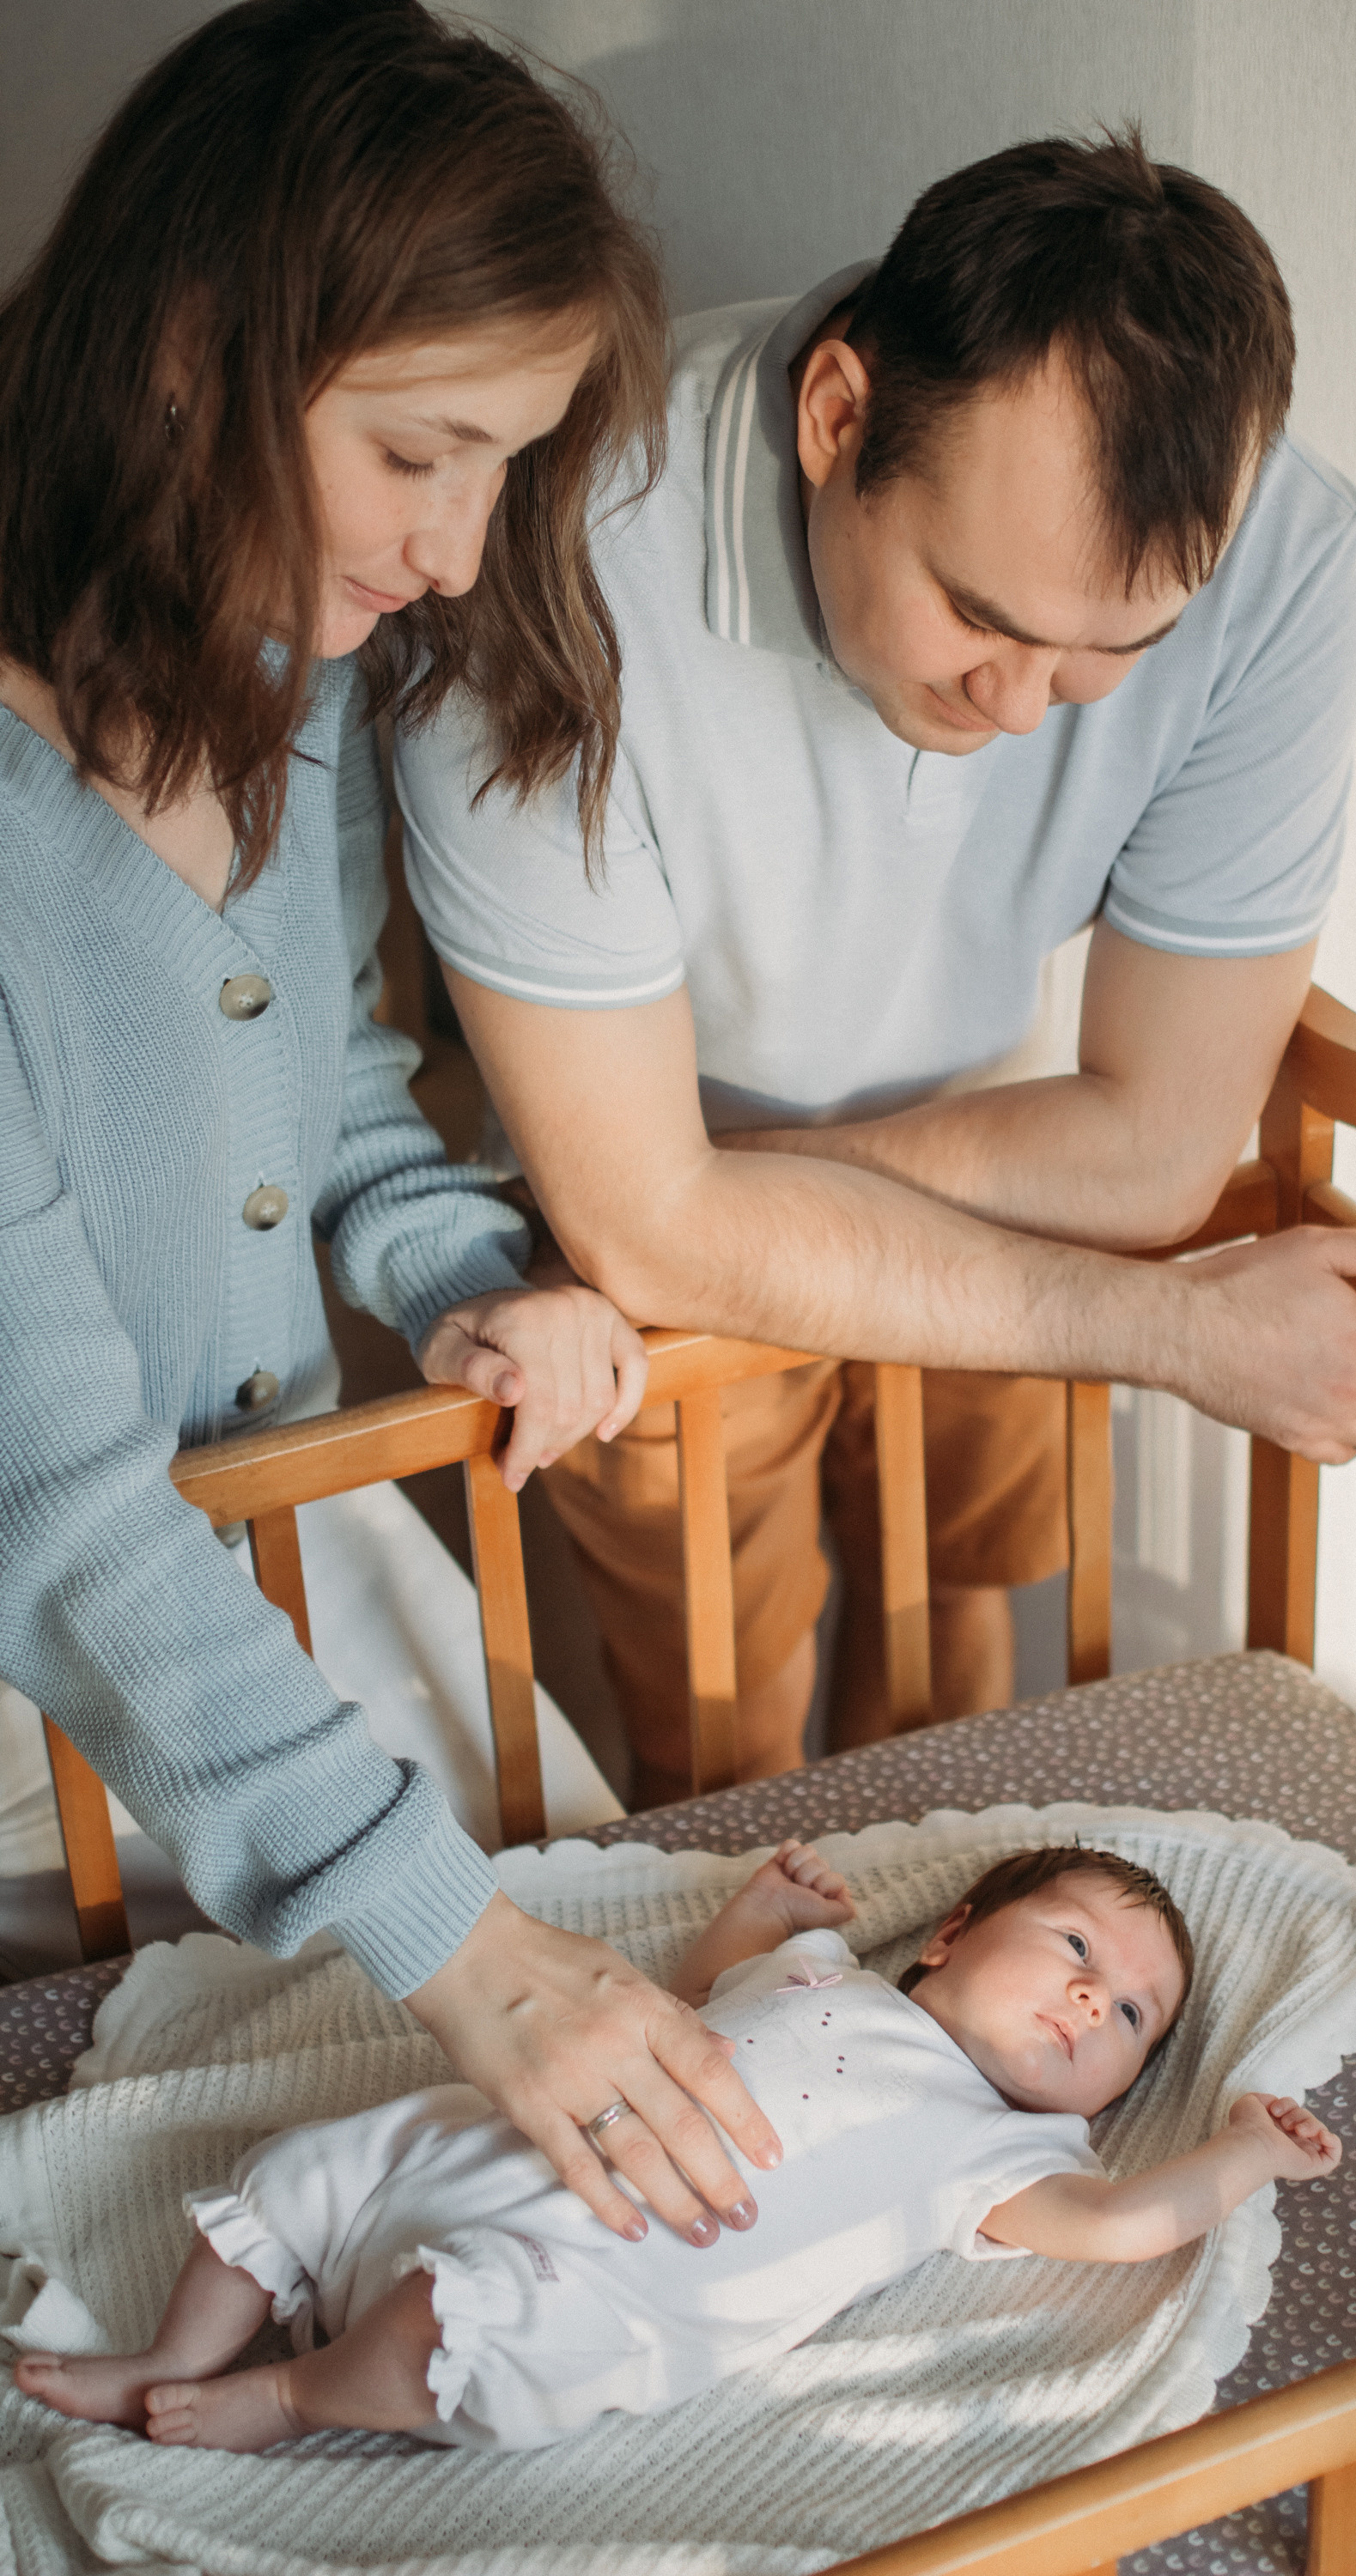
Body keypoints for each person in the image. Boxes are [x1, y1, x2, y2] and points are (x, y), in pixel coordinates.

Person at [396, 132, 1356, 1807]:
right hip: (642, 1190)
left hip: (969, 1145)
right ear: (836, 420)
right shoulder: (549, 550)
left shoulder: (1284, 560)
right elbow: (635, 1225)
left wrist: (682, 1219)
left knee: (965, 1688)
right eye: (979, 614)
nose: (1023, 711)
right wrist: (644, 1224)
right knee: (722, 1754)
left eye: (1111, 654)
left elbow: (1160, 1146)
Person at [0, 0, 780, 2252]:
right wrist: (459, 1951)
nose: (457, 553)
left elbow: (333, 1086)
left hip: (244, 1548)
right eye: (422, 452)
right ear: (190, 341)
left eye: (504, 469)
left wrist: (464, 1276)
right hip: (74, 1609)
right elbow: (54, 1513)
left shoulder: (283, 674)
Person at [15, 1839, 1341, 2451]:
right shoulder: (827, 1973)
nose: (1086, 2000)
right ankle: (169, 2352)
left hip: (590, 2276)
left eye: (1127, 2015)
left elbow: (1122, 2230)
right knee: (304, 2168)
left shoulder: (997, 2155)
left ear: (1100, 2102)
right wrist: (760, 1911)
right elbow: (710, 1995)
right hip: (491, 2145)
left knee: (459, 2325)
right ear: (946, 1933)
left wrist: (1244, 2151)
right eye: (1074, 1947)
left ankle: (291, 2399)